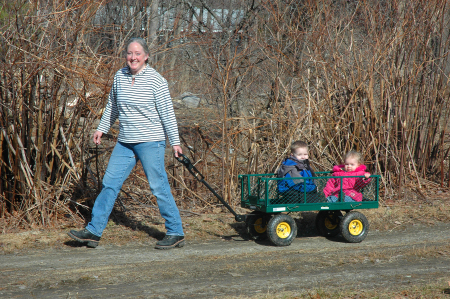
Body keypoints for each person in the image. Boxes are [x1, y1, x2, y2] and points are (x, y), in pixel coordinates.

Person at [68, 37, 185, 249]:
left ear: (146, 56)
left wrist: (175, 142)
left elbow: (167, 114)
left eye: (138, 54)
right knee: (109, 184)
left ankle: (175, 231)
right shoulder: (120, 77)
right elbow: (112, 105)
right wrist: (102, 128)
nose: (133, 57)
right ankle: (93, 231)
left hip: (151, 141)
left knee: (158, 187)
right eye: (130, 53)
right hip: (125, 142)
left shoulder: (156, 81)